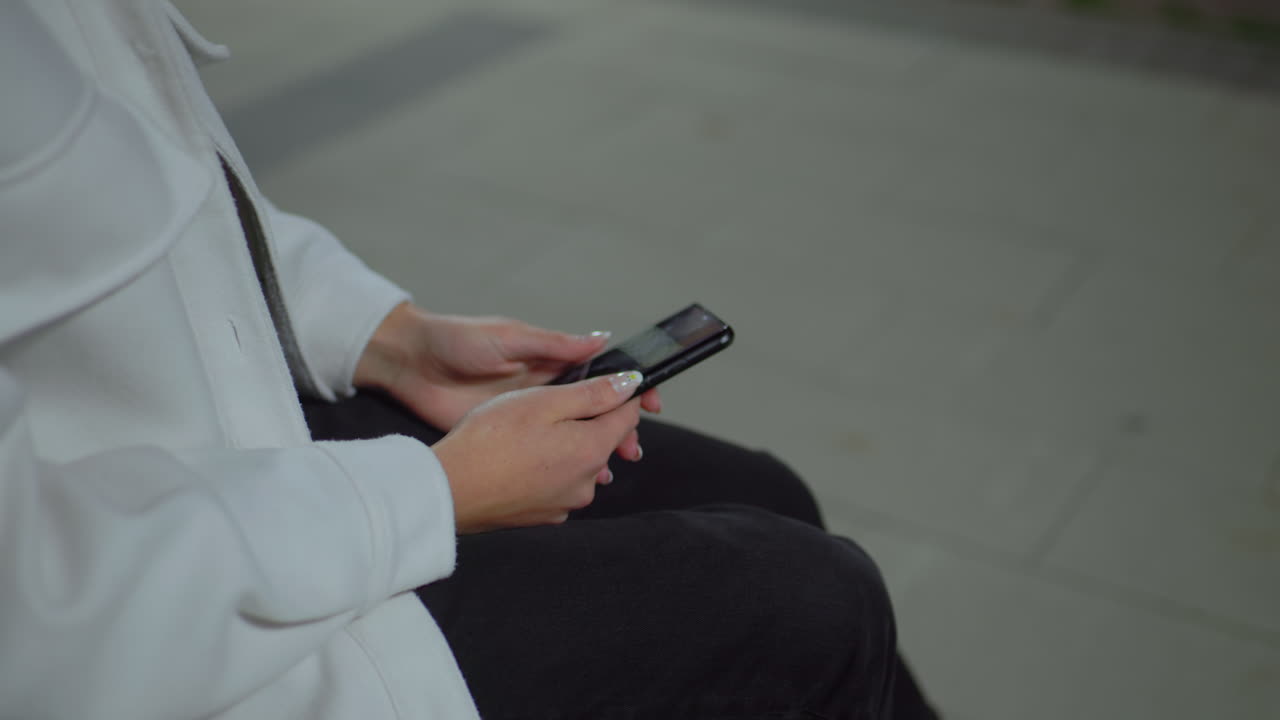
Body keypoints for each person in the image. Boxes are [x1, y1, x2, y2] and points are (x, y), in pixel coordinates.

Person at [0, 2, 938, 719]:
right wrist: (430, 496)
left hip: (245, 443)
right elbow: (28, 617)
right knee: (818, 604)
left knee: (771, 492)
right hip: (170, 629)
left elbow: (164, 196)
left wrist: (392, 336)